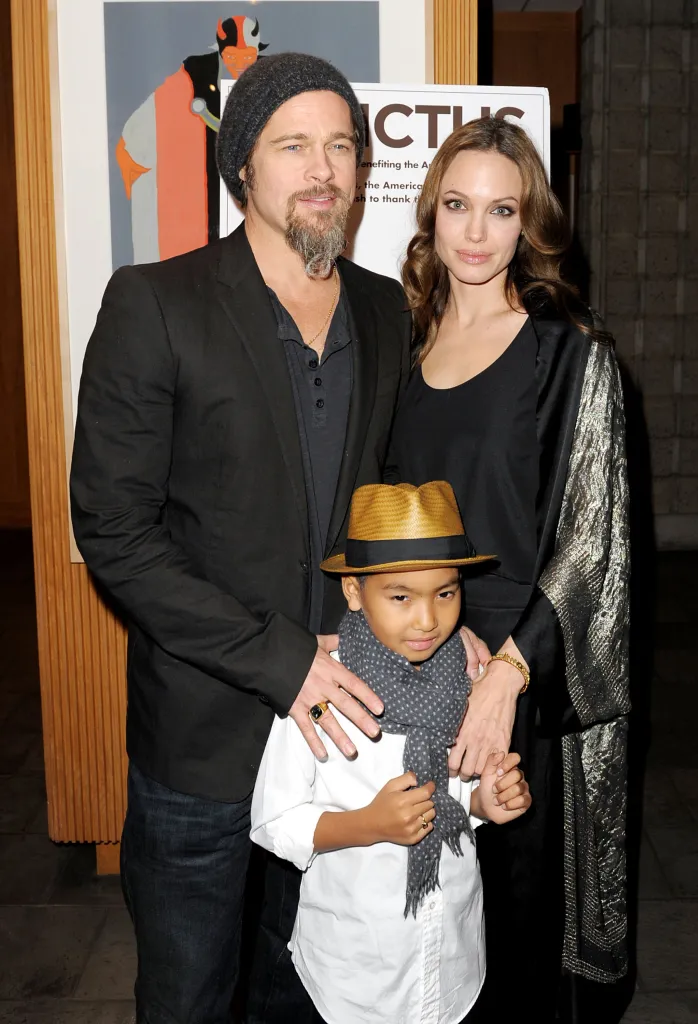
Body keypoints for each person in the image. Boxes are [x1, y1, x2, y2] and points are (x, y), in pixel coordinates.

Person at [71, 53, 415, 1024]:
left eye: (342, 145)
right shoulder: (155, 303)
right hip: (204, 741)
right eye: (294, 145)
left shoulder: (387, 311)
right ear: (242, 169)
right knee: (187, 996)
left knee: (298, 989)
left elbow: (385, 506)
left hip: (339, 739)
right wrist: (283, 660)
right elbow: (115, 530)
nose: (324, 169)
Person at [387, 117, 631, 1022]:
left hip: (523, 680)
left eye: (501, 209)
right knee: (423, 933)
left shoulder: (570, 355)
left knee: (517, 934)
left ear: (529, 223)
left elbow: (592, 540)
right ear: (432, 214)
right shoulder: (400, 347)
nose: (476, 233)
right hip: (416, 664)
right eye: (457, 206)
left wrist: (509, 676)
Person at [251, 480, 532, 1024]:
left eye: (446, 593)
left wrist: (482, 804)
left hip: (450, 960)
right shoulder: (322, 694)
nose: (427, 620)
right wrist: (370, 824)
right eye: (401, 596)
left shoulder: (466, 679)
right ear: (354, 592)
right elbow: (274, 822)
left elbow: (455, 794)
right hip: (357, 974)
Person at [116, 15, 269, 265]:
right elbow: (136, 138)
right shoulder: (189, 81)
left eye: (247, 56)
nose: (239, 63)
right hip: (202, 209)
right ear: (220, 52)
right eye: (232, 56)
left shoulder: (274, 80)